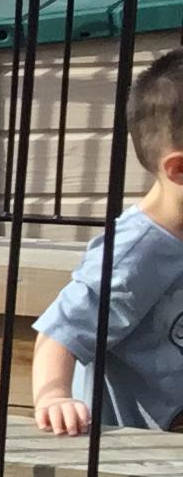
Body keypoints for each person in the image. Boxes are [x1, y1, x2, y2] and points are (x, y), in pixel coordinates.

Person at [30, 46, 183, 435]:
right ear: (179, 169)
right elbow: (59, 333)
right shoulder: (134, 252)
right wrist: (54, 397)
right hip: (133, 451)